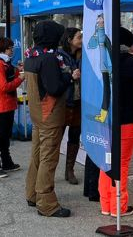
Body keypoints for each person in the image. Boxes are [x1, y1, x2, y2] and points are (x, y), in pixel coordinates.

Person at [24, 20, 73, 218]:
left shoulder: (31, 57)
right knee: (48, 158)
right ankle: (46, 203)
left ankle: (32, 193)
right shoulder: (49, 59)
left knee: (37, 155)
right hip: (50, 115)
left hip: (37, 114)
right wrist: (70, 77)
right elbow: (54, 88)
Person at [99, 28, 133, 217]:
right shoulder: (130, 61)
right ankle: (119, 206)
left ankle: (106, 205)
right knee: (122, 163)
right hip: (126, 118)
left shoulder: (102, 58)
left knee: (106, 161)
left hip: (104, 118)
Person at [0, 37, 24, 177]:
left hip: (7, 103)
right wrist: (20, 79)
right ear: (4, 49)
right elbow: (4, 86)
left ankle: (7, 162)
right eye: (10, 48)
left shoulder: (4, 63)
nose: (12, 50)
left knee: (5, 135)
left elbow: (10, 76)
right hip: (2, 104)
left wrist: (18, 71)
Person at [57, 27, 82, 185]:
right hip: (64, 102)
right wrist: (71, 75)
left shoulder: (82, 55)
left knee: (75, 136)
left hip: (79, 101)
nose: (81, 40)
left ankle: (69, 170)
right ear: (69, 40)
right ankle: (49, 169)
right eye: (79, 37)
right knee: (56, 137)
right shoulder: (59, 56)